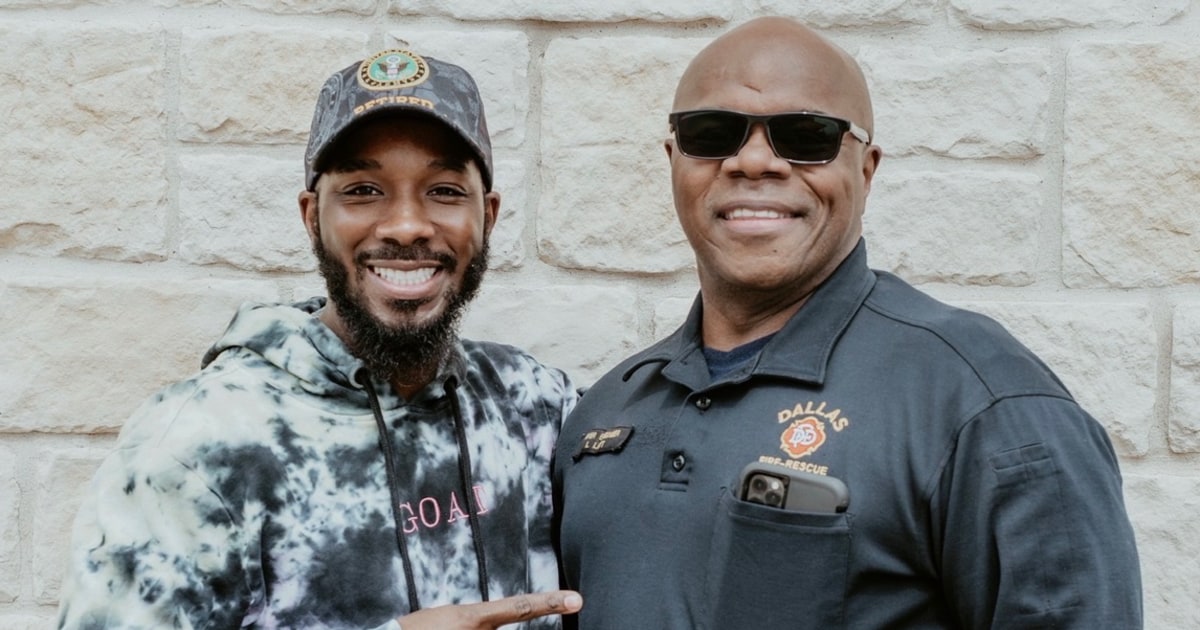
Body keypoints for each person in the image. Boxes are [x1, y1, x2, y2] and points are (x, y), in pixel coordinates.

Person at [552, 16, 1142, 629]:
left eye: (807, 135)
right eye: (712, 132)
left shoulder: (982, 403)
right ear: (674, 159)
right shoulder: (607, 412)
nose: (753, 161)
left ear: (867, 168)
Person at [57, 47, 582, 629]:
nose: (407, 225)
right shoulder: (199, 442)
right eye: (363, 190)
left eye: (444, 191)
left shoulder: (532, 405)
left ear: (488, 215)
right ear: (312, 217)